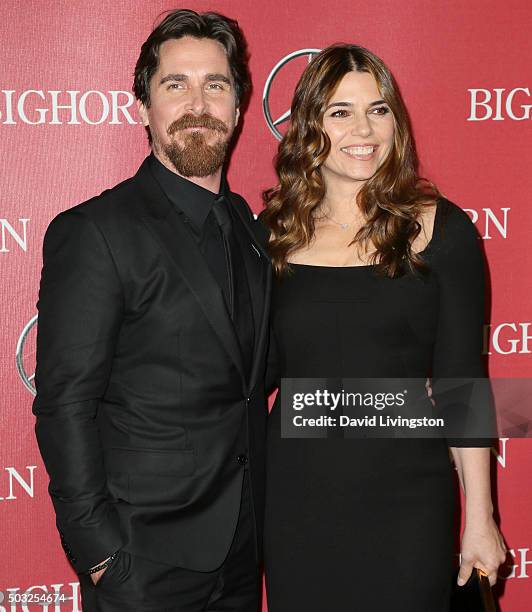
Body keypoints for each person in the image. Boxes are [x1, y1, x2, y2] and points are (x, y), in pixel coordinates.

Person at [32, 9, 271, 612]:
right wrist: (100, 554)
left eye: (216, 85)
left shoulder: (250, 226)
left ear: (239, 107)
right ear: (143, 106)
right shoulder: (96, 231)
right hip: (142, 563)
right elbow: (65, 403)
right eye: (176, 84)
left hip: (243, 556)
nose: (198, 103)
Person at [261, 44, 507, 611]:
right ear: (309, 125)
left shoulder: (441, 230)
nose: (363, 129)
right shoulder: (268, 236)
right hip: (298, 498)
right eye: (340, 111)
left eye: (378, 109)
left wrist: (480, 519)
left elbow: (461, 383)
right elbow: (254, 373)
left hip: (408, 499)